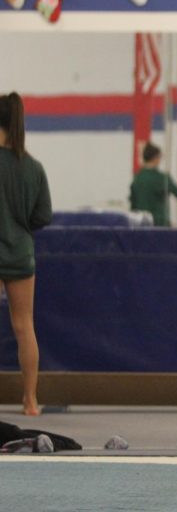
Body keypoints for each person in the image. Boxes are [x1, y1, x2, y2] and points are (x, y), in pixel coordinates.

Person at [0, 92, 52, 416]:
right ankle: (30, 401)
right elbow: (43, 216)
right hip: (19, 254)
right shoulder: (33, 167)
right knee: (24, 326)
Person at [129, 142, 177, 227]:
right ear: (155, 158)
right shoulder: (162, 178)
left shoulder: (137, 179)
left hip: (140, 226)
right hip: (159, 225)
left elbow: (133, 205)